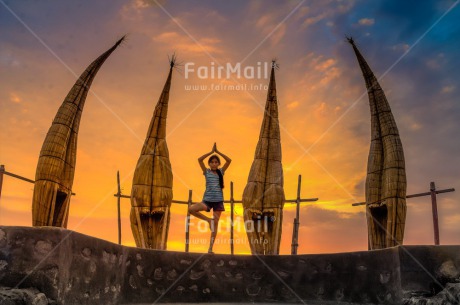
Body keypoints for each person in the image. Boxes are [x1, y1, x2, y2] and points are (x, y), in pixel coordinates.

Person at [188, 142, 231, 254]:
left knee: (215, 225)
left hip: (218, 202)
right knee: (191, 209)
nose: (214, 164)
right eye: (212, 162)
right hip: (207, 201)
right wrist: (211, 152)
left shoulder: (221, 172)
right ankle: (208, 220)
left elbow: (229, 160)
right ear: (209, 164)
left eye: (216, 162)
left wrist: (218, 152)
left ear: (218, 164)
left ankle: (210, 248)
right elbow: (200, 159)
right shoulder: (206, 172)